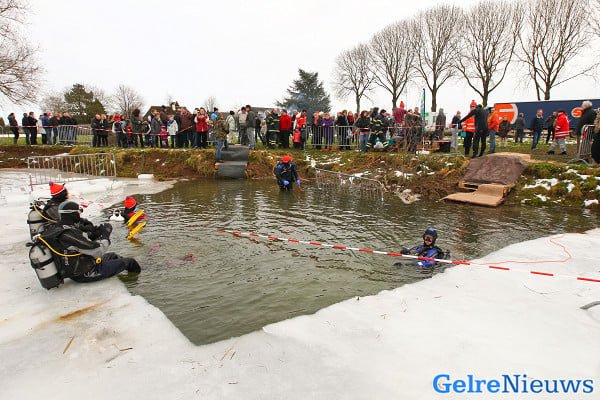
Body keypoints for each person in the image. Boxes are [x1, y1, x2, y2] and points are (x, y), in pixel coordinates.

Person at [41, 200, 141, 283]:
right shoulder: (68, 234)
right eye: (78, 212)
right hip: (84, 272)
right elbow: (98, 251)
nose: (80, 215)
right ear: (73, 214)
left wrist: (97, 232)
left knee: (113, 256)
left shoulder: (60, 228)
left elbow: (83, 242)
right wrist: (106, 234)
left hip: (81, 264)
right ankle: (136, 282)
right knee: (130, 262)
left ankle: (119, 272)